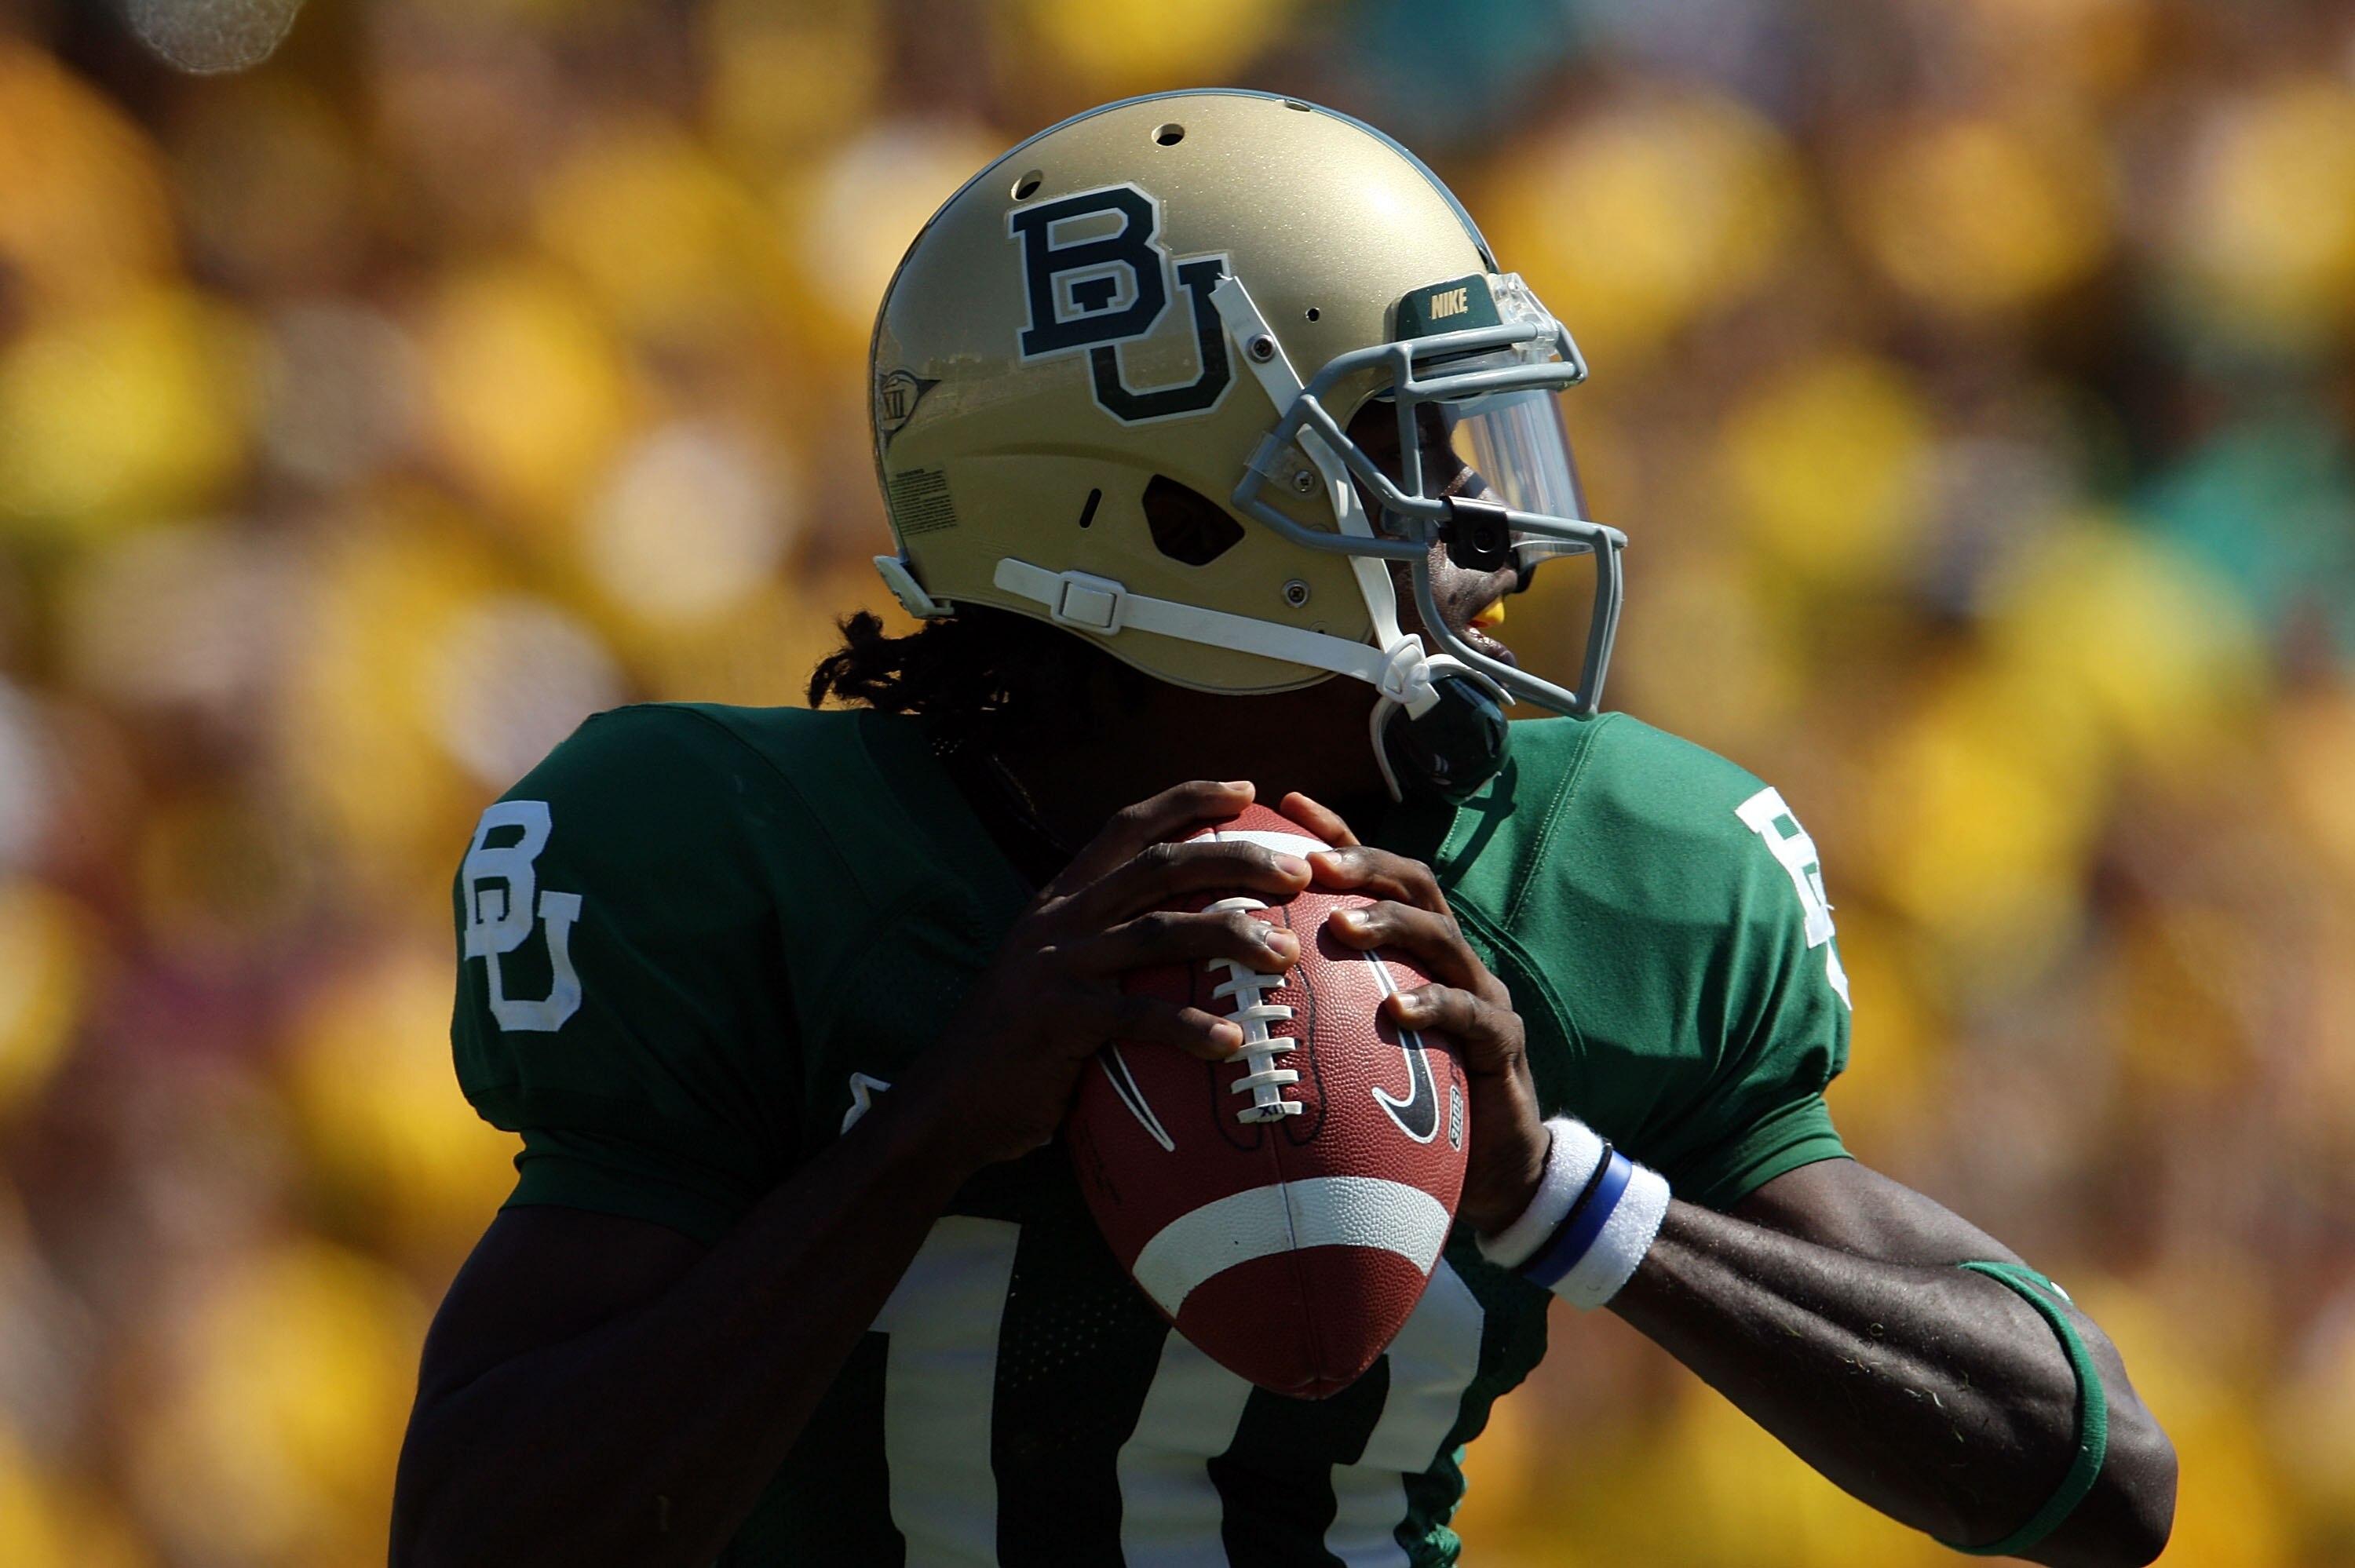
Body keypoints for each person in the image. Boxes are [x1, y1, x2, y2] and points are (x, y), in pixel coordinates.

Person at [391, 90, 2175, 1567]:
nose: (1477, 517)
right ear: (1163, 516)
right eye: (1397, 441)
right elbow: (480, 1536)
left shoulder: (1598, 868)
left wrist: (1560, 1190)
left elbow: (2093, 1473)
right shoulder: (739, 864)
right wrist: (930, 1131)